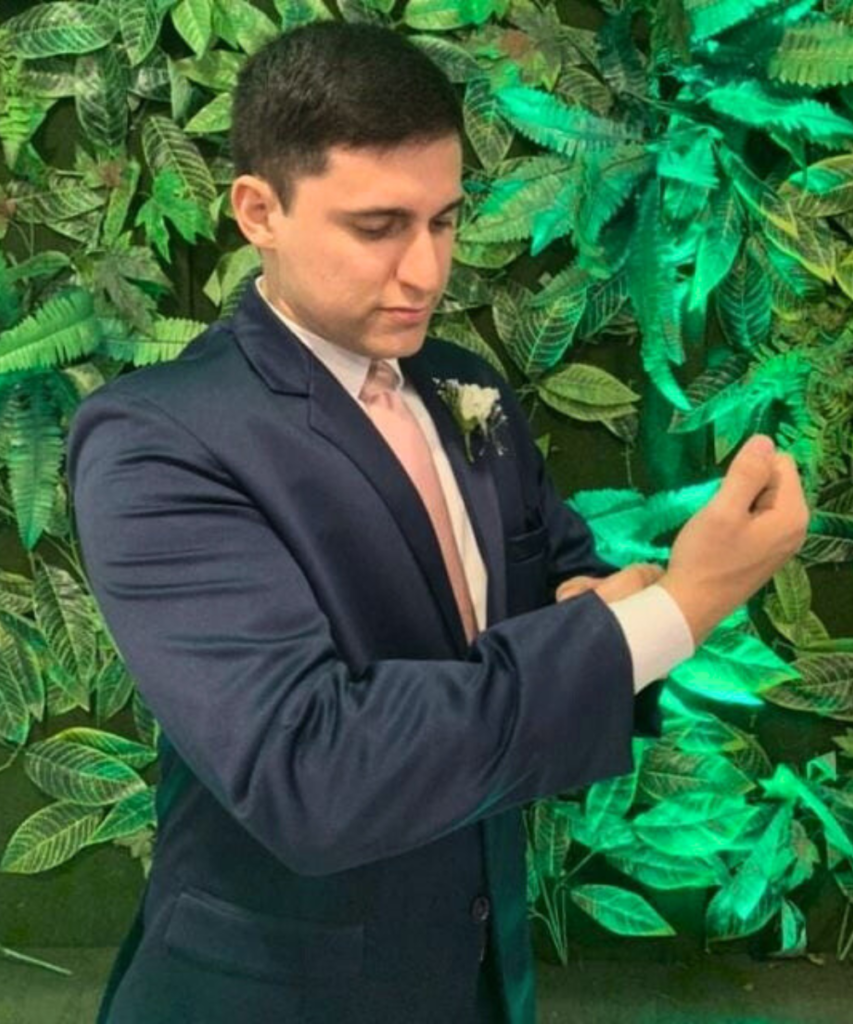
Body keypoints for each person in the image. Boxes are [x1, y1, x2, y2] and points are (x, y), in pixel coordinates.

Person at [67, 22, 809, 1024]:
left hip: (478, 970)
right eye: (377, 227)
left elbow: (555, 570)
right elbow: (309, 771)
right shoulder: (157, 438)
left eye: (444, 222)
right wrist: (677, 608)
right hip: (276, 993)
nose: (425, 272)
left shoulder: (465, 385)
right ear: (258, 211)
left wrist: (591, 599)